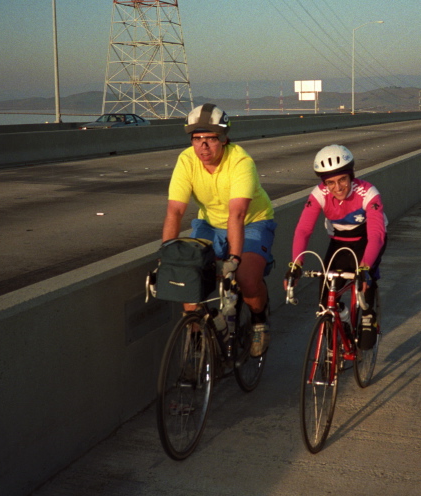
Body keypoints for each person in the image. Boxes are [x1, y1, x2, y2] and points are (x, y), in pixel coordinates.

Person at [162, 103, 275, 356]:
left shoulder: (241, 161)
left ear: (223, 139)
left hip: (252, 222)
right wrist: (167, 254)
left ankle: (259, 319)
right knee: (188, 277)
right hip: (210, 223)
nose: (203, 145)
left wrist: (234, 259)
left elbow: (237, 214)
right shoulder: (186, 160)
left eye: (210, 138)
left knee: (246, 278)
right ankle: (197, 336)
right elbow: (175, 211)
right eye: (197, 138)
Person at [285, 144, 387, 349]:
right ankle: (341, 320)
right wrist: (295, 265)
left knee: (363, 280)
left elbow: (376, 235)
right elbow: (303, 230)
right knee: (326, 295)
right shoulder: (319, 194)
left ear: (351, 175)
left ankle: (367, 314)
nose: (338, 187)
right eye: (330, 182)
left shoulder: (368, 192)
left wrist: (365, 267)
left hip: (368, 239)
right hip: (339, 240)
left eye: (342, 180)